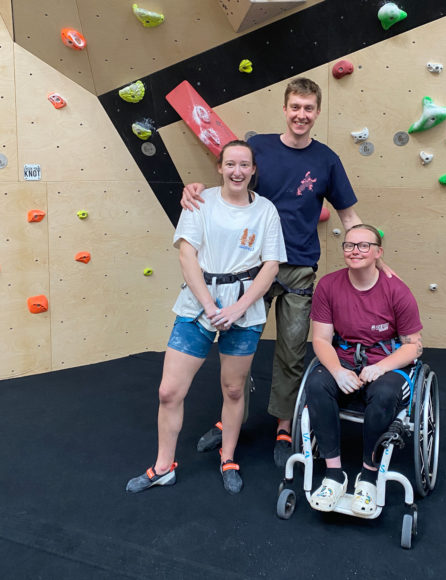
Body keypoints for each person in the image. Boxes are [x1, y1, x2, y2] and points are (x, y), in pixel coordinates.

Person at [182, 78, 394, 467]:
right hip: (252, 267)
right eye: (295, 107)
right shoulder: (258, 148)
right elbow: (229, 183)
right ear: (285, 109)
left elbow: (348, 215)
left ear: (317, 112)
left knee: (292, 352)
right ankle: (232, 419)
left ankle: (283, 424)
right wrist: (194, 188)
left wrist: (371, 253)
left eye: (308, 108)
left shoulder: (327, 159)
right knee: (237, 349)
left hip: (298, 269)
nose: (301, 115)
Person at [126, 140, 286, 495]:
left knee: (233, 388)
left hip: (244, 310)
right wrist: (211, 307)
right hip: (197, 306)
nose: (237, 171)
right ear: (219, 166)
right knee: (169, 391)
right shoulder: (199, 202)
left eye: (244, 165)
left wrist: (237, 308)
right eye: (231, 164)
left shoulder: (266, 211)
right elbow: (187, 255)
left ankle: (228, 457)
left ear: (253, 169)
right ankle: (163, 466)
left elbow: (271, 265)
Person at [305, 224, 422, 515]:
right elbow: (320, 339)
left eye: (363, 245)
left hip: (384, 361)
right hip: (344, 358)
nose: (355, 251)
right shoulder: (329, 286)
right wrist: (337, 371)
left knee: (384, 395)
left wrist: (381, 367)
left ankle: (368, 476)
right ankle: (334, 474)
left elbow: (414, 347)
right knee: (316, 384)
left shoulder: (397, 290)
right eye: (349, 245)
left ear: (378, 252)